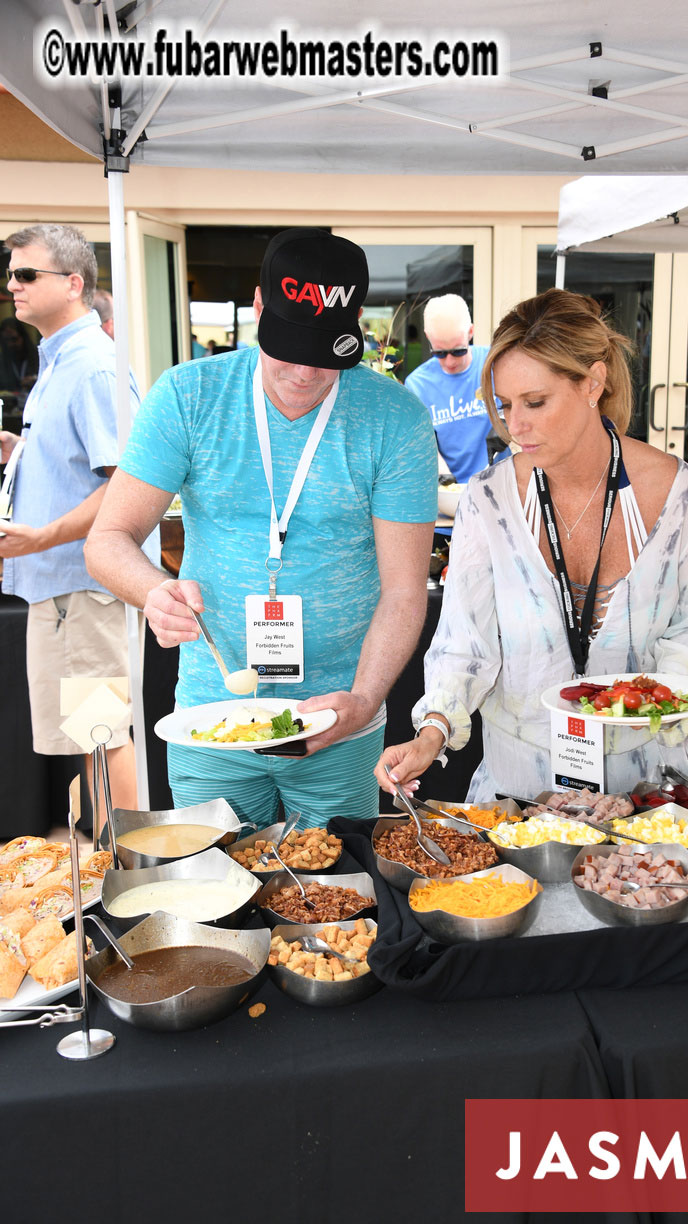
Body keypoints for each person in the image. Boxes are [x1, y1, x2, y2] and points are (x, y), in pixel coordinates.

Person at [85, 227, 438, 829]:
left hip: (337, 722)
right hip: (210, 717)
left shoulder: (395, 418)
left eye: (326, 352)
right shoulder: (188, 396)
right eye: (288, 347)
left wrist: (364, 702)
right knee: (212, 902)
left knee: (337, 901)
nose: (303, 372)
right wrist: (153, 591)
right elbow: (108, 539)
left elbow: (405, 591)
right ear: (257, 307)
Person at [375, 289, 688, 802]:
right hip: (519, 797)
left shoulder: (678, 491)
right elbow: (463, 643)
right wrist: (432, 732)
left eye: (535, 403)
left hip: (651, 797)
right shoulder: (488, 500)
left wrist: (652, 703)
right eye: (505, 406)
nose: (516, 427)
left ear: (593, 382)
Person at [0, 223, 148, 811]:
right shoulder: (67, 359)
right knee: (94, 737)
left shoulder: (90, 366)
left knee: (103, 734)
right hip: (68, 589)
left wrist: (40, 536)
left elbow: (125, 488)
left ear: (73, 283)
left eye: (26, 273)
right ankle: (121, 863)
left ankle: (134, 871)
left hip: (80, 587)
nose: (13, 284)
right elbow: (82, 465)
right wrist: (23, 451)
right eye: (11, 274)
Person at [405, 294, 492, 481]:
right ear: (428, 337)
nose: (450, 362)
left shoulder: (494, 364)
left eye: (458, 350)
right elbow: (424, 444)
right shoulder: (417, 384)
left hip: (500, 487)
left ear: (470, 332)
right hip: (449, 493)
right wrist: (444, 477)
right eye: (440, 353)